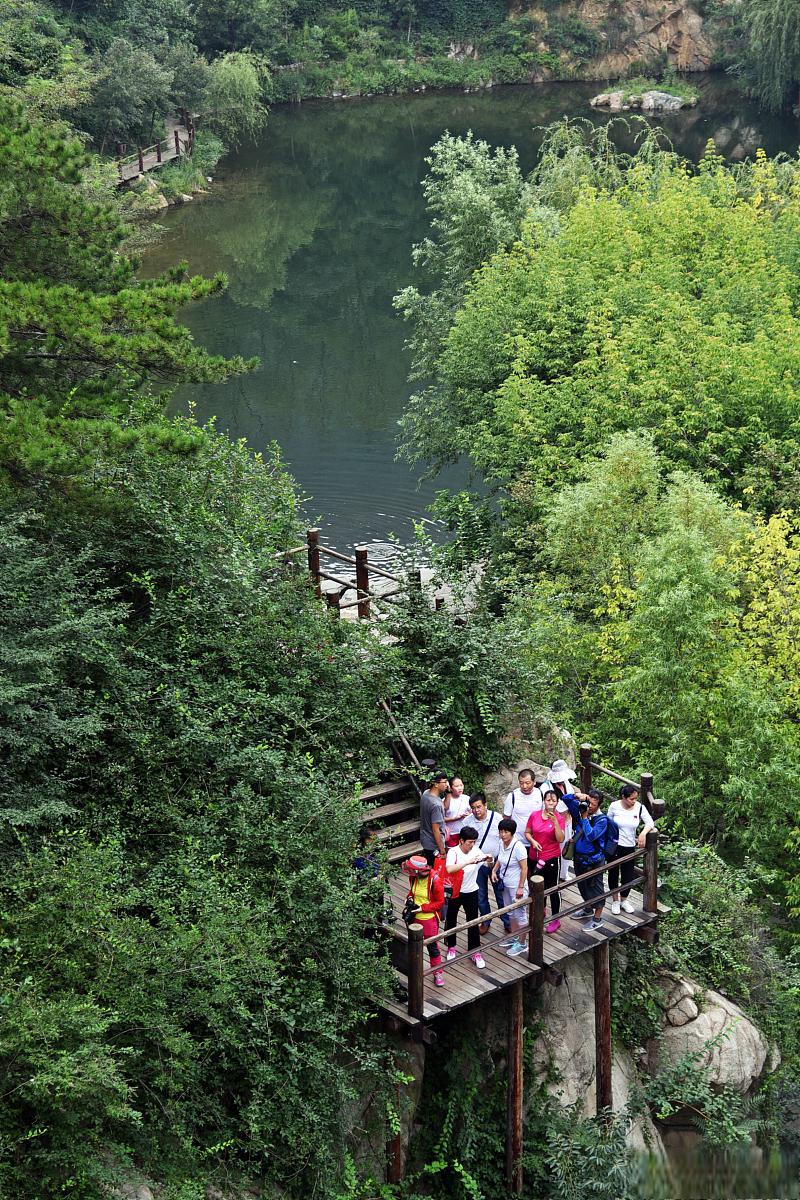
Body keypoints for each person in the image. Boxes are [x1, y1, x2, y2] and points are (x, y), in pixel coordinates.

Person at [444, 826, 494, 969]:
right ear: (461, 841)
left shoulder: (476, 851)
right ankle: (451, 947)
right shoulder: (453, 852)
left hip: (471, 890)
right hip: (455, 890)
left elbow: (488, 865)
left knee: (473, 920)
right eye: (469, 842)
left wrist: (489, 860)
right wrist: (469, 861)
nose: (472, 845)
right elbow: (449, 869)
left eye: (474, 842)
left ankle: (475, 951)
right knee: (451, 918)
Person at [562, 788, 608, 931]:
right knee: (583, 885)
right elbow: (565, 799)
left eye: (593, 804)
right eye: (589, 802)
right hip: (579, 858)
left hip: (594, 860)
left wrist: (584, 818)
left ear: (599, 805)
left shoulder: (602, 820)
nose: (590, 806)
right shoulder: (582, 808)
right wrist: (578, 796)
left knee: (596, 888)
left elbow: (591, 836)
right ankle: (587, 909)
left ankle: (597, 918)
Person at [607, 783, 656, 914]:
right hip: (615, 845)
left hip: (629, 846)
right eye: (631, 799)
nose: (634, 801)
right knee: (613, 873)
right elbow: (608, 823)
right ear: (623, 797)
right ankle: (615, 901)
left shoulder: (639, 807)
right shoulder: (614, 806)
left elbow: (650, 822)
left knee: (627, 875)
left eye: (635, 798)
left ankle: (624, 900)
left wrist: (643, 833)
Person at [466, 792, 510, 937]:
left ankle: (507, 921)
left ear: (485, 805)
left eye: (479, 806)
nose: (476, 810)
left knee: (500, 893)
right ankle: (486, 920)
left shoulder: (496, 818)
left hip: (495, 862)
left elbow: (504, 839)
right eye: (473, 808)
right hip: (477, 864)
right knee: (480, 895)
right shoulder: (467, 822)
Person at [525, 789, 566, 933]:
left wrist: (555, 821)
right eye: (548, 800)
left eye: (553, 800)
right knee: (536, 887)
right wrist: (533, 841)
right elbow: (527, 832)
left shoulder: (559, 818)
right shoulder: (534, 815)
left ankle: (556, 918)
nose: (550, 802)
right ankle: (541, 912)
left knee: (553, 888)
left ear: (557, 803)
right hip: (534, 857)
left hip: (551, 857)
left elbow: (560, 839)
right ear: (544, 800)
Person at [402, 854, 446, 987]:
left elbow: (440, 902)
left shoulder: (435, 880)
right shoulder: (413, 877)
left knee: (432, 947)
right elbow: (413, 892)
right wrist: (409, 898)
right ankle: (416, 972)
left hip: (428, 920)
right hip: (415, 919)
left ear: (417, 870)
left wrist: (422, 908)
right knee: (414, 946)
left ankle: (437, 973)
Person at [492, 818, 530, 956]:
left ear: (512, 833)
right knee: (510, 912)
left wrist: (520, 887)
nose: (503, 834)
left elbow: (524, 868)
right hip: (506, 884)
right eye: (501, 831)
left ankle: (522, 943)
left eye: (506, 832)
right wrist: (494, 870)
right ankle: (515, 937)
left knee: (520, 914)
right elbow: (501, 859)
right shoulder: (502, 843)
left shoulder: (518, 847)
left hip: (516, 886)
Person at [548, 759, 578, 881]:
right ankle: (554, 873)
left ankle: (563, 873)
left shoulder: (565, 783)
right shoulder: (547, 787)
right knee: (555, 848)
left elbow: (572, 793)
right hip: (555, 821)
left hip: (568, 820)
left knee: (567, 846)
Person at [420, 772, 449, 867]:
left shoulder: (426, 793)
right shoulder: (435, 805)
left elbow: (445, 806)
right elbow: (436, 829)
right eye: (444, 782)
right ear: (436, 784)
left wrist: (448, 792)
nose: (447, 784)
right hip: (434, 845)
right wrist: (442, 850)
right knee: (436, 874)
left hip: (426, 840)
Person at [504, 768, 543, 833]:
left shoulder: (540, 794)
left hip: (536, 837)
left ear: (534, 782)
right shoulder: (512, 796)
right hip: (517, 839)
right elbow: (506, 818)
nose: (524, 786)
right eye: (521, 783)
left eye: (527, 783)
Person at [443, 775, 471, 847]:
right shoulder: (445, 801)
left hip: (465, 832)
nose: (460, 788)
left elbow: (472, 812)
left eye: (461, 785)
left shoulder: (467, 798)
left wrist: (469, 814)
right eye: (456, 786)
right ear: (450, 788)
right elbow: (440, 819)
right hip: (451, 833)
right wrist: (454, 818)